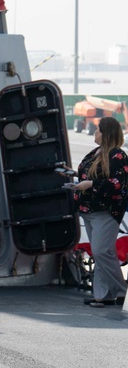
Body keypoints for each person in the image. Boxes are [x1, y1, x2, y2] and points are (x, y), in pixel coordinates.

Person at [73, 116, 128, 307]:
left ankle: (121, 291)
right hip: (89, 210)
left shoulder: (117, 156)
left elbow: (117, 184)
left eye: (98, 130)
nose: (95, 132)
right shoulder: (95, 153)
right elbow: (88, 174)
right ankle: (103, 295)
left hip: (106, 211)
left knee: (101, 251)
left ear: (106, 133)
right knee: (102, 253)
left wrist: (90, 184)